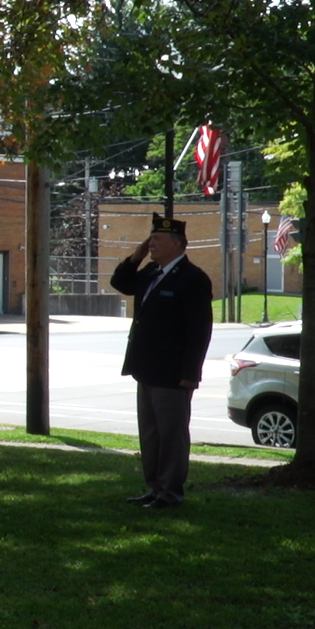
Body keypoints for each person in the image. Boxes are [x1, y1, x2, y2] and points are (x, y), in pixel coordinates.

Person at [109, 213, 214, 510]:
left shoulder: (192, 279)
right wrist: (136, 256)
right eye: (151, 238)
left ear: (177, 243)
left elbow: (199, 331)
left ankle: (170, 492)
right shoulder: (152, 273)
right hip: (147, 369)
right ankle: (155, 488)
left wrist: (190, 373)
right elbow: (122, 282)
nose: (151, 243)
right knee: (152, 434)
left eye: (157, 238)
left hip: (173, 373)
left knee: (172, 435)